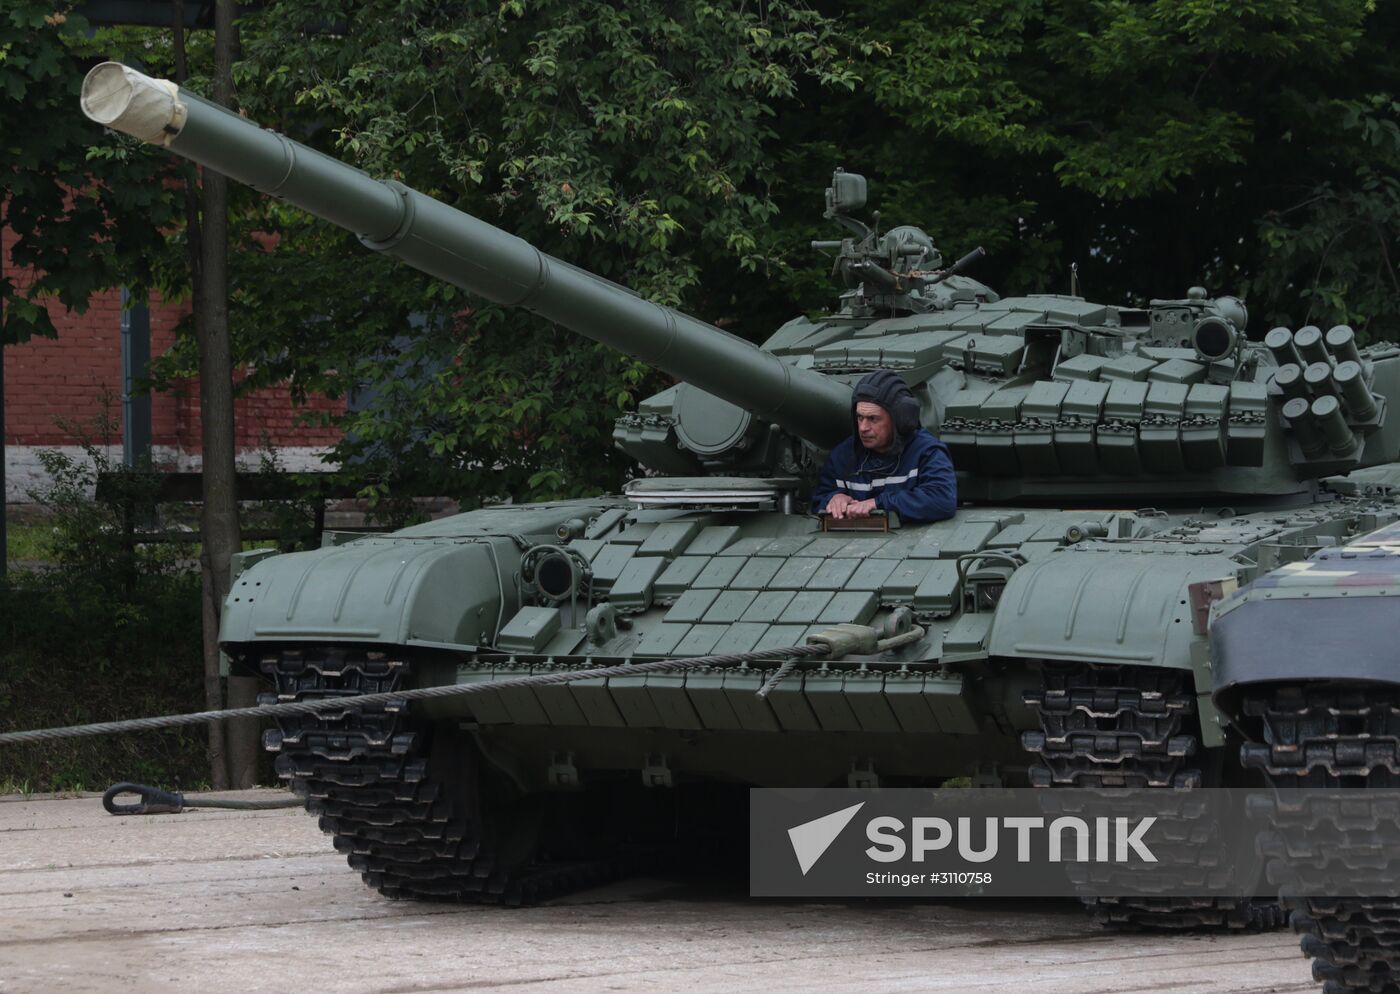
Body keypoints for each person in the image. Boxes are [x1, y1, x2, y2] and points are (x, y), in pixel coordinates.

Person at [810, 369, 957, 524]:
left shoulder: (926, 452)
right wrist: (833, 499)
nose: (863, 428)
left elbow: (942, 499)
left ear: (900, 419)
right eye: (860, 417)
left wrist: (877, 503)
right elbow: (818, 499)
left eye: (873, 418)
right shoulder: (843, 456)